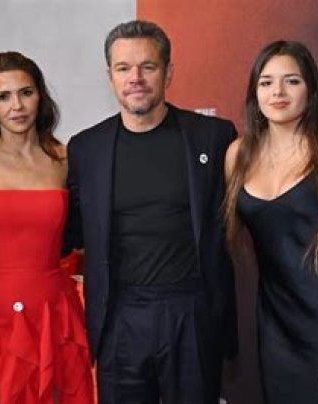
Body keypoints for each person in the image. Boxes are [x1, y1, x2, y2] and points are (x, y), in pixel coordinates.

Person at [66, 20, 238, 404]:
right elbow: (67, 230)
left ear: (168, 72)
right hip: (119, 316)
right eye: (123, 68)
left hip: (191, 312)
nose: (136, 79)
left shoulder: (213, 137)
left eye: (148, 66)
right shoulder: (85, 149)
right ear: (110, 77)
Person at [0, 51, 94, 404]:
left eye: (26, 93)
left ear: (40, 97)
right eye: (3, 96)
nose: (16, 106)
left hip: (53, 311)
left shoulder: (64, 158)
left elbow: (84, 234)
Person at [222, 41, 318, 403]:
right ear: (254, 93)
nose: (278, 92)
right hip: (276, 319)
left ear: (311, 91)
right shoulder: (238, 155)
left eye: (292, 81)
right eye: (266, 82)